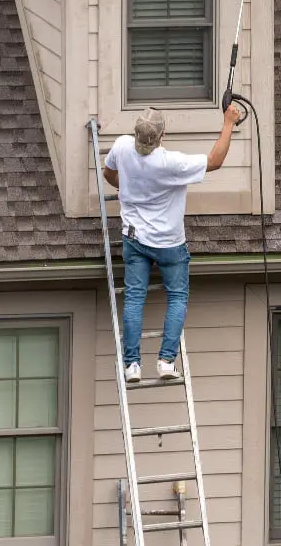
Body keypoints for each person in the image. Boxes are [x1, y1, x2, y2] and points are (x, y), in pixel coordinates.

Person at [103, 104, 242, 382]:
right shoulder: (170, 163)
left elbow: (108, 175)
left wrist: (128, 187)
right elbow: (214, 161)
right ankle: (166, 361)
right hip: (169, 244)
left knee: (134, 299)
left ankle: (132, 366)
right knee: (177, 297)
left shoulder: (121, 146)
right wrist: (228, 122)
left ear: (136, 132)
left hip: (134, 239)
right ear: (161, 135)